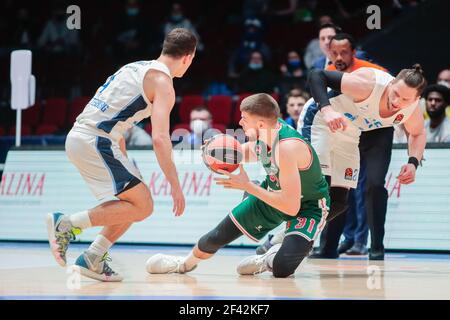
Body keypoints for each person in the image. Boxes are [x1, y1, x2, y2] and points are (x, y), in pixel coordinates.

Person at [46, 28, 197, 282]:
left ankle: (93, 256)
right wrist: (175, 184)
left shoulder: (135, 66)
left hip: (84, 137)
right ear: (188, 57)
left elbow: (116, 117)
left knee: (129, 206)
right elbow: (160, 139)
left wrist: (123, 156)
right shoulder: (164, 84)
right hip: (96, 141)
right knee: (144, 205)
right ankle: (67, 224)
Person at [146, 93, 330, 278]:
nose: (240, 122)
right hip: (274, 192)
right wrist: (217, 154)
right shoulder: (266, 132)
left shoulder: (286, 147)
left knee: (282, 269)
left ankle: (268, 259)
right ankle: (183, 264)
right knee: (217, 236)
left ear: (260, 124)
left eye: (244, 119)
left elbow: (291, 207)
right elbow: (248, 152)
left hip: (308, 206)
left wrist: (249, 186)